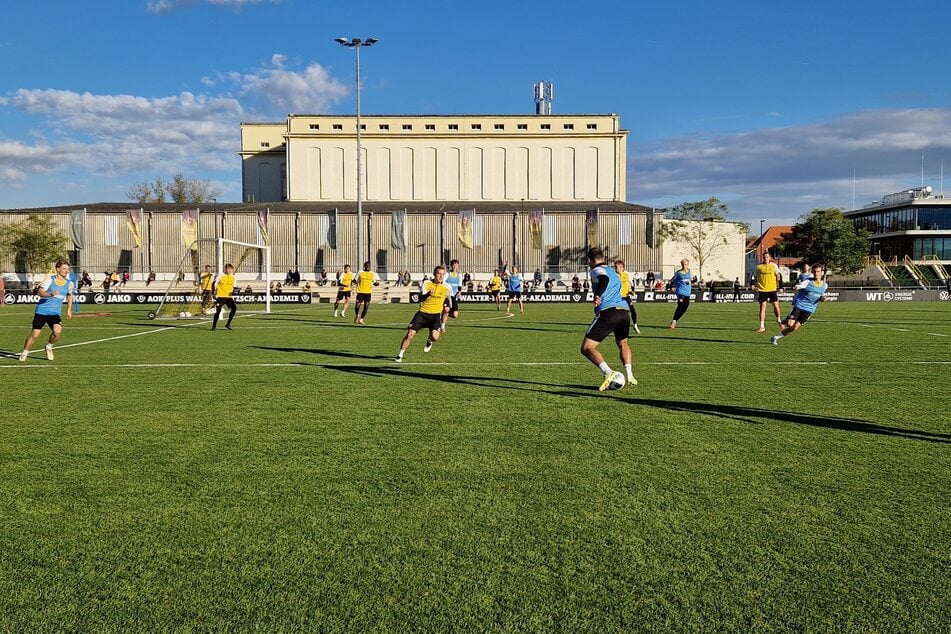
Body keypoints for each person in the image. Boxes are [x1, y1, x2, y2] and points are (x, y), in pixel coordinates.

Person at [581, 248, 636, 390]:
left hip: (609, 312)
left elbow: (603, 279)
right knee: (623, 343)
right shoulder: (614, 272)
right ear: (603, 257)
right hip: (624, 311)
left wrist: (597, 295)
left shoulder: (595, 270)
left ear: (589, 260)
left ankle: (608, 372)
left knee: (587, 348)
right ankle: (629, 375)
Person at [19, 260, 74, 361]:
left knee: (57, 331)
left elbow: (70, 295)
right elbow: (40, 292)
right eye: (64, 269)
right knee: (35, 335)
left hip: (55, 313)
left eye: (68, 269)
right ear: (58, 269)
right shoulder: (50, 280)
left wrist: (69, 310)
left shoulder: (69, 284)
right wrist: (50, 294)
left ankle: (49, 346)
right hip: (42, 311)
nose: (66, 271)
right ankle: (25, 352)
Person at [395, 265, 452, 362]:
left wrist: (448, 306)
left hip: (435, 316)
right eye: (439, 274)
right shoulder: (426, 283)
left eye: (443, 274)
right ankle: (400, 355)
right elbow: (420, 298)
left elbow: (450, 300)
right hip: (422, 314)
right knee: (410, 334)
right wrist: (428, 294)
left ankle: (429, 340)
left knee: (435, 337)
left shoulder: (447, 287)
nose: (441, 276)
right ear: (434, 274)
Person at [771, 265, 828, 345]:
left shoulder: (825, 285)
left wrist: (823, 299)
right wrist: (796, 287)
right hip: (800, 305)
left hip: (810, 309)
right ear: (812, 272)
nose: (816, 273)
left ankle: (775, 337)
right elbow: (800, 285)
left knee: (794, 328)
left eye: (818, 272)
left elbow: (820, 297)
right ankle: (786, 320)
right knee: (789, 324)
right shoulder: (808, 281)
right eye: (814, 271)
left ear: (821, 273)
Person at [754, 251, 782, 332]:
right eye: (764, 257)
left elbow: (779, 276)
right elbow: (753, 276)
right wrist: (753, 284)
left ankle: (779, 320)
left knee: (776, 306)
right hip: (763, 290)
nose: (765, 258)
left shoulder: (774, 266)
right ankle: (762, 326)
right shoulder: (759, 267)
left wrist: (781, 287)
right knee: (762, 307)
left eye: (767, 257)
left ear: (769, 258)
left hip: (772, 289)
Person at [613, 259, 641, 335]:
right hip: (617, 297)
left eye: (617, 267)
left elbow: (628, 285)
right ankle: (617, 329)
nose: (616, 268)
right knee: (619, 314)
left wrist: (630, 291)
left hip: (626, 296)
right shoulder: (614, 276)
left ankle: (635, 325)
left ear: (622, 268)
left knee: (633, 311)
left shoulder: (626, 275)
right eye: (615, 267)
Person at [668, 258, 694, 329]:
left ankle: (675, 321)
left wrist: (691, 281)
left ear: (688, 264)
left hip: (688, 292)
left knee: (684, 309)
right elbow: (672, 280)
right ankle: (673, 322)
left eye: (685, 264)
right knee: (680, 306)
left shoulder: (690, 272)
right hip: (680, 292)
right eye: (683, 264)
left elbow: (694, 279)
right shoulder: (678, 273)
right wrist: (672, 286)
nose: (684, 266)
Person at [212, 263, 237, 330]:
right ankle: (214, 325)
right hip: (220, 296)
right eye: (228, 269)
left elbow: (234, 287)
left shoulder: (233, 277)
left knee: (234, 308)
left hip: (228, 297)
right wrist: (213, 293)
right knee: (218, 311)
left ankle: (228, 324)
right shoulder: (220, 276)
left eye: (231, 269)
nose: (229, 270)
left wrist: (235, 292)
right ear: (225, 269)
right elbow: (214, 283)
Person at [442, 259, 463, 331]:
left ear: (458, 266)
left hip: (454, 296)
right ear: (451, 266)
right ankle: (442, 326)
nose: (455, 266)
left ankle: (443, 314)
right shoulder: (447, 274)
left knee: (455, 315)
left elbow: (459, 285)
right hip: (447, 295)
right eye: (453, 265)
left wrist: (460, 292)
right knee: (447, 310)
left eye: (456, 265)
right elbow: (442, 282)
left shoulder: (459, 275)